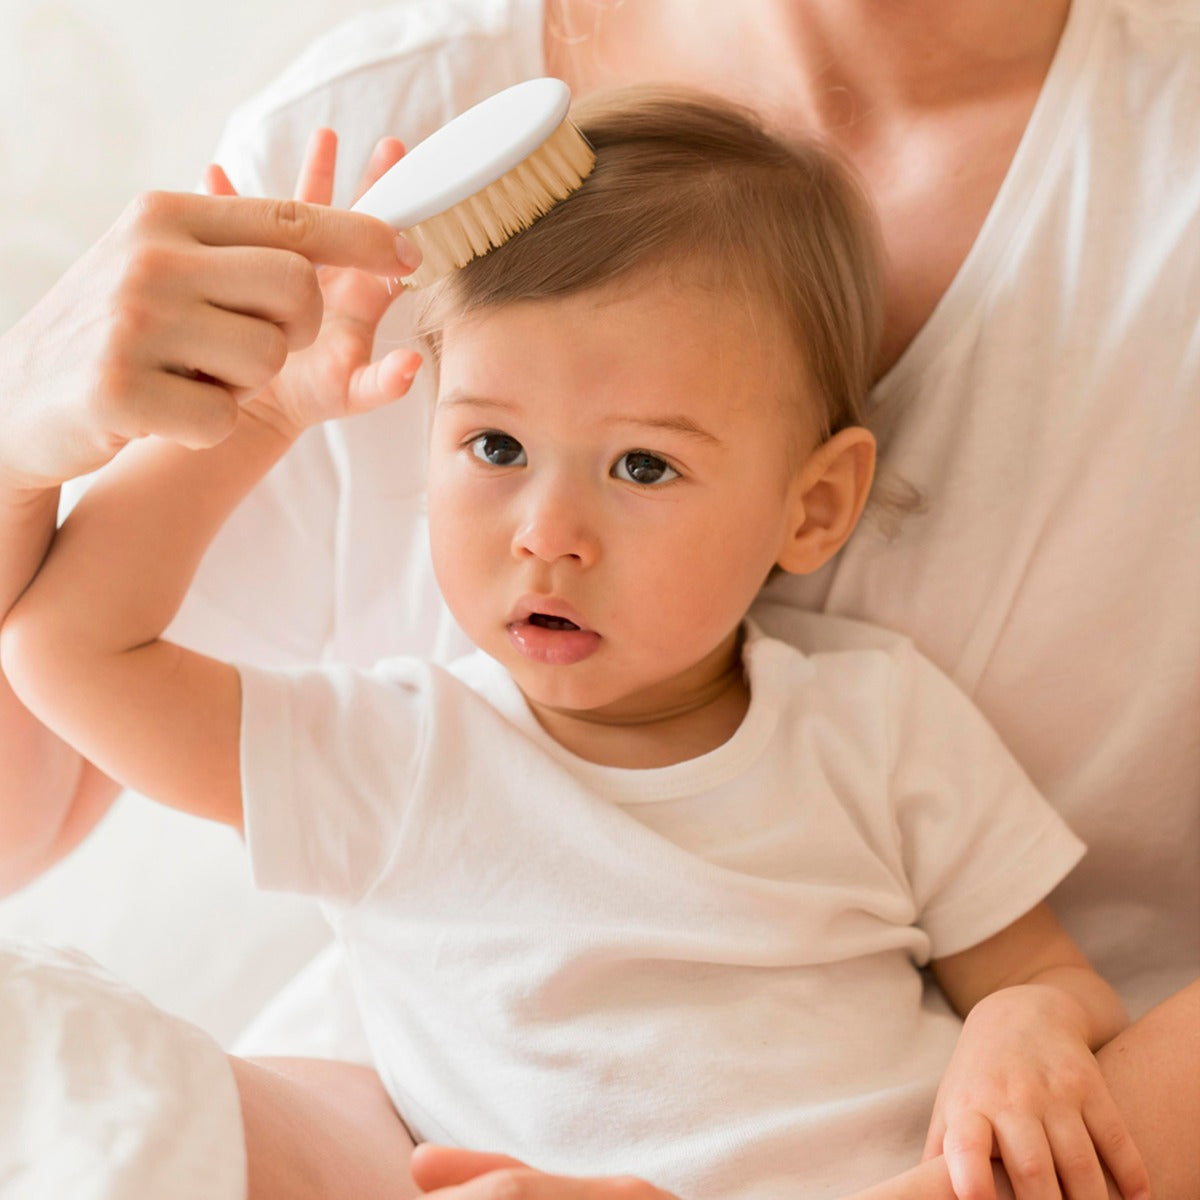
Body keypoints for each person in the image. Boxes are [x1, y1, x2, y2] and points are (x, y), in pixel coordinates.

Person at [0, 0, 1196, 1197]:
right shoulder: (400, 753)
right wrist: (249, 418)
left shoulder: (880, 726)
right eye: (494, 448)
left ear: (815, 508)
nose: (549, 536)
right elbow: (63, 649)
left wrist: (1019, 1033)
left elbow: (1049, 980)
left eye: (642, 468)